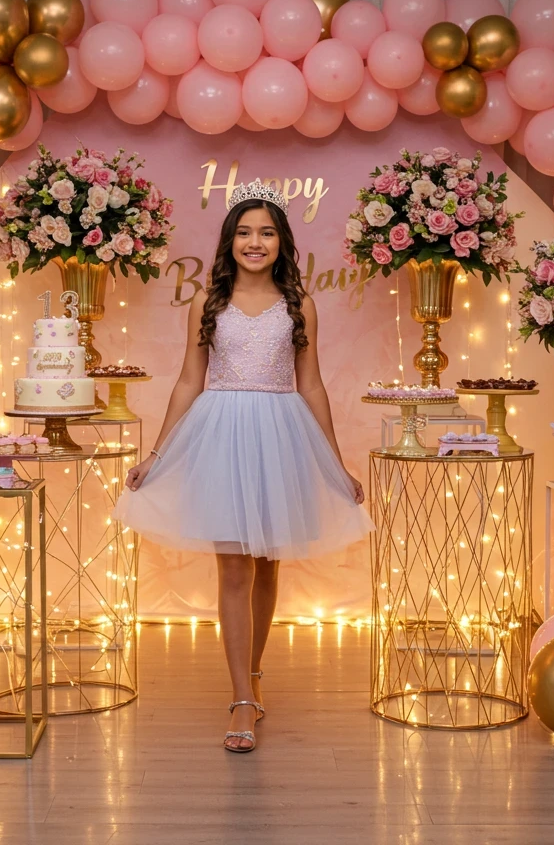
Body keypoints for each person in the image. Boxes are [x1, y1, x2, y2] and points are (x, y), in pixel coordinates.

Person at [113, 181, 373, 753]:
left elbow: (311, 383)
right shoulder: (207, 305)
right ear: (229, 241)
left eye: (267, 232)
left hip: (281, 437)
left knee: (268, 564)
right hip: (224, 434)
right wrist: (156, 453)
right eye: (244, 232)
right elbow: (188, 381)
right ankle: (240, 699)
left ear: (282, 243)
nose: (255, 242)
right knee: (233, 568)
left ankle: (252, 676)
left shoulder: (299, 305)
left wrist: (335, 462)